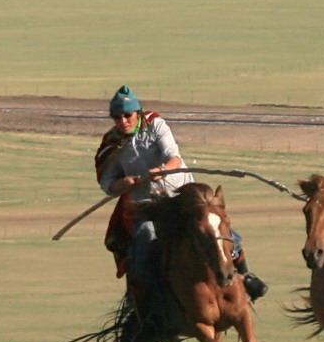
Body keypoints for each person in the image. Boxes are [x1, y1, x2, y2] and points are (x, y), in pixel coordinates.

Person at [94, 85, 268, 304]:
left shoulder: (156, 124)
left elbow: (173, 156)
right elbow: (106, 182)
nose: (122, 121)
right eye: (116, 117)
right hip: (147, 205)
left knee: (221, 230)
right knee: (145, 239)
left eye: (127, 115)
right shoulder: (111, 144)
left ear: (137, 112)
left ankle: (245, 276)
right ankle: (141, 298)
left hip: (180, 197)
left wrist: (164, 170)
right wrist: (123, 183)